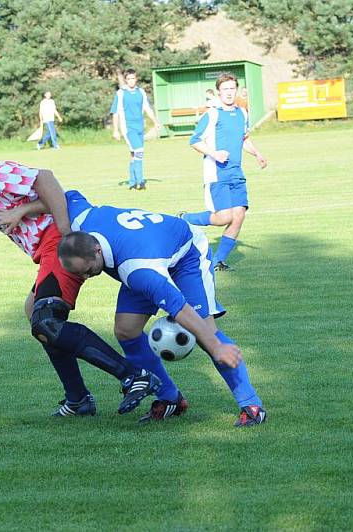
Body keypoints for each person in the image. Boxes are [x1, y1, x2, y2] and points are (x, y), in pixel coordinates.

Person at [0, 162, 160, 417]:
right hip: (48, 251)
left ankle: (132, 376)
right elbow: (42, 197)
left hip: (55, 243)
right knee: (34, 314)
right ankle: (78, 399)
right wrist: (24, 210)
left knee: (46, 321)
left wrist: (65, 234)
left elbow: (46, 179)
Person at [55, 190, 267, 427]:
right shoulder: (82, 219)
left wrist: (217, 347)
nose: (85, 277)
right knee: (126, 330)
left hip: (186, 254)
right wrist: (22, 210)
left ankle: (251, 404)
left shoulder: (139, 271)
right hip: (147, 252)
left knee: (204, 330)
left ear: (96, 250)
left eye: (87, 270)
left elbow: (180, 308)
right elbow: (64, 193)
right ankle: (169, 398)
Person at [180, 73, 267, 272]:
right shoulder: (212, 114)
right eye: (225, 89)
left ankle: (218, 260)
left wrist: (257, 154)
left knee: (239, 215)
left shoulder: (242, 113)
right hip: (216, 173)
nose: (229, 93)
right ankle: (185, 219)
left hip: (236, 173)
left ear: (236, 90)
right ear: (219, 91)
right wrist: (214, 153)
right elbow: (194, 141)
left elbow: (244, 139)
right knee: (224, 217)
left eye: (232, 89)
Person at [110, 69, 161, 191]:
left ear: (136, 79)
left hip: (139, 128)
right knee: (139, 151)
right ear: (126, 80)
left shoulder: (141, 92)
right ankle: (141, 182)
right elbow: (115, 112)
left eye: (133, 78)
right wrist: (115, 130)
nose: (131, 81)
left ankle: (132, 183)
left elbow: (147, 108)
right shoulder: (121, 93)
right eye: (129, 79)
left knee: (134, 155)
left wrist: (155, 121)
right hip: (128, 128)